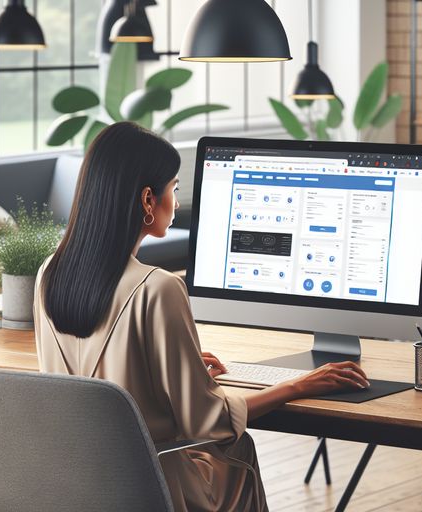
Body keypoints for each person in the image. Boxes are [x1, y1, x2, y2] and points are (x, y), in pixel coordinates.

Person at [33, 122, 369, 512]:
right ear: (147, 199)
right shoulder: (158, 288)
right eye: (174, 189)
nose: (176, 202)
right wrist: (299, 385)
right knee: (236, 449)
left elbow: (97, 388)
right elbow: (208, 423)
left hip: (78, 490)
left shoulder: (48, 274)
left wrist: (182, 377)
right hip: (154, 491)